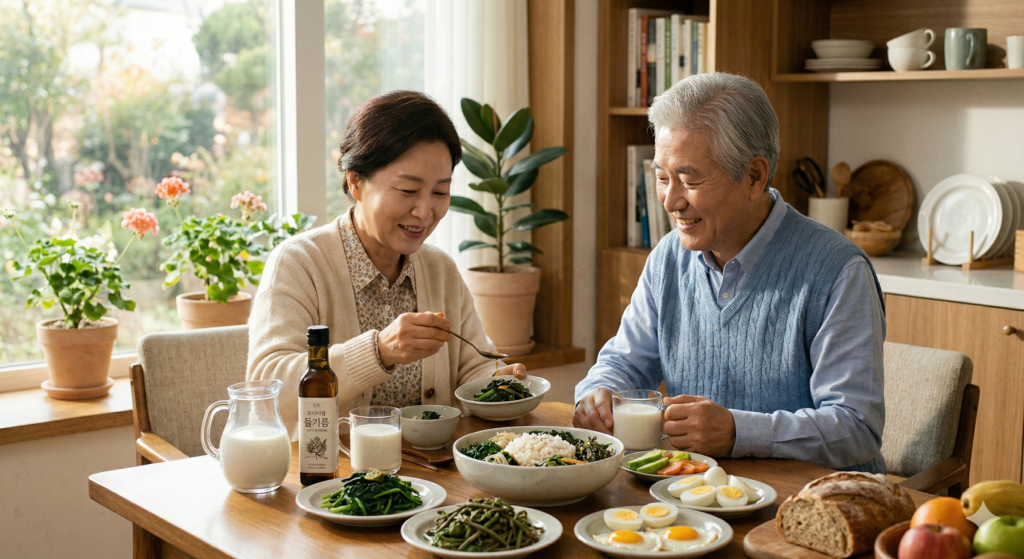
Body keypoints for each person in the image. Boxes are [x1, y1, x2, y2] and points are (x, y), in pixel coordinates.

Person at [574, 73, 887, 473]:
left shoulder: (837, 271)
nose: (671, 200)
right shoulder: (668, 258)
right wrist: (597, 393)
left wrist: (739, 431)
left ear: (754, 176)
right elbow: (624, 362)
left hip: (814, 511)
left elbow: (856, 428)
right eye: (662, 177)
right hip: (700, 498)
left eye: (688, 179)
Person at [248, 90, 525, 438]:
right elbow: (268, 392)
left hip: (433, 476)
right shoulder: (299, 264)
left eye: (440, 192)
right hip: (334, 479)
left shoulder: (439, 269)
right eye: (408, 191)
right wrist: (379, 351)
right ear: (356, 182)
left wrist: (499, 383)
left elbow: (473, 367)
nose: (425, 212)